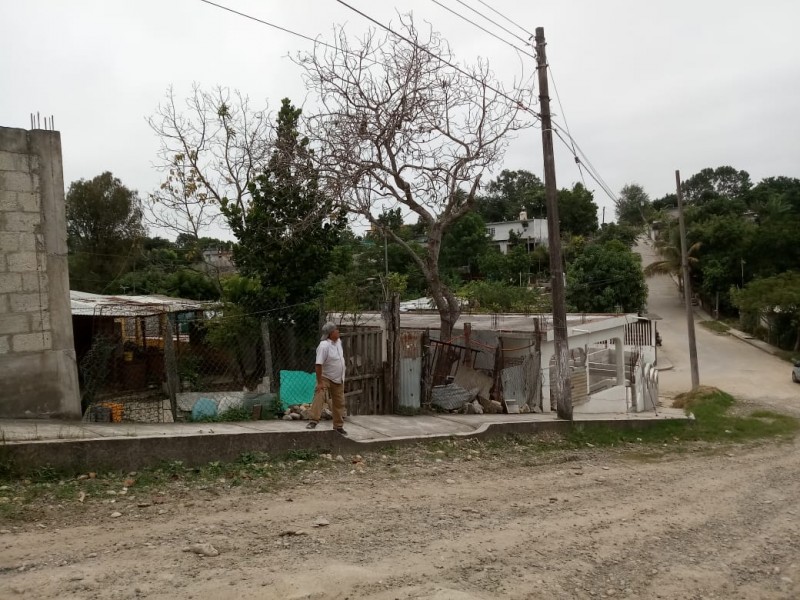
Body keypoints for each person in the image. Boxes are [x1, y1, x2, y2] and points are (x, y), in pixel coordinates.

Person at [306, 322, 347, 435]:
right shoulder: (324, 346)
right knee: (320, 394)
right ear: (330, 333)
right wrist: (319, 382)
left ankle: (338, 426)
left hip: (338, 378)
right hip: (325, 377)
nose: (338, 331)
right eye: (335, 330)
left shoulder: (338, 342)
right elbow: (318, 364)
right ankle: (313, 421)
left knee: (339, 402)